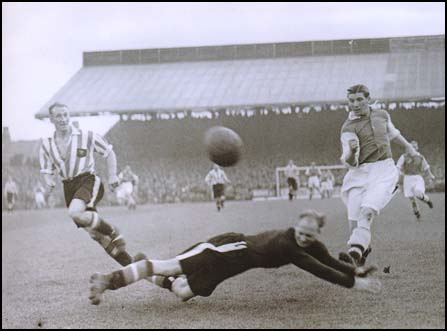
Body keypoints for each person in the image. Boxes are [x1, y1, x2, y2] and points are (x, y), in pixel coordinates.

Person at [88, 209, 381, 305]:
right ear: (297, 226)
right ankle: (109, 280)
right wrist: (353, 285)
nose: (304, 237)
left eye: (310, 234)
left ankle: (132, 260)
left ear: (317, 233)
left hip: (233, 265)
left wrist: (355, 271)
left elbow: (329, 262)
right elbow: (319, 271)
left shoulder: (311, 244)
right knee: (165, 266)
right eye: (301, 231)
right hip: (224, 249)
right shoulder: (289, 244)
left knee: (181, 291)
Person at [38, 102, 136, 267]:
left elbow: (109, 152)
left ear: (69, 116)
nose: (63, 119)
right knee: (95, 234)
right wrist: (48, 180)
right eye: (58, 116)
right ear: (51, 119)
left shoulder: (86, 136)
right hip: (68, 187)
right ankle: (130, 264)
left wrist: (112, 175)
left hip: (87, 180)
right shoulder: (46, 144)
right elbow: (46, 170)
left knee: (75, 212)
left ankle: (113, 230)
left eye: (65, 115)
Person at [339, 84, 418, 266]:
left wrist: (408, 147)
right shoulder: (348, 128)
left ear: (367, 98)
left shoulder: (382, 115)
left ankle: (354, 255)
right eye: (352, 101)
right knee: (353, 225)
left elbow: (394, 133)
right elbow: (350, 162)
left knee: (367, 213)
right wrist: (351, 152)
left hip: (383, 171)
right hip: (358, 174)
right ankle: (362, 250)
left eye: (359, 99)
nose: (355, 104)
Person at [396, 141, 435, 221]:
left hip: (417, 178)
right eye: (411, 147)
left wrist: (430, 175)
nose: (413, 148)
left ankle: (427, 200)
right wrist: (397, 173)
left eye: (415, 147)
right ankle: (417, 214)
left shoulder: (420, 157)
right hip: (407, 179)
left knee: (418, 192)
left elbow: (426, 167)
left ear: (417, 148)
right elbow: (398, 166)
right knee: (412, 199)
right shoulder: (404, 157)